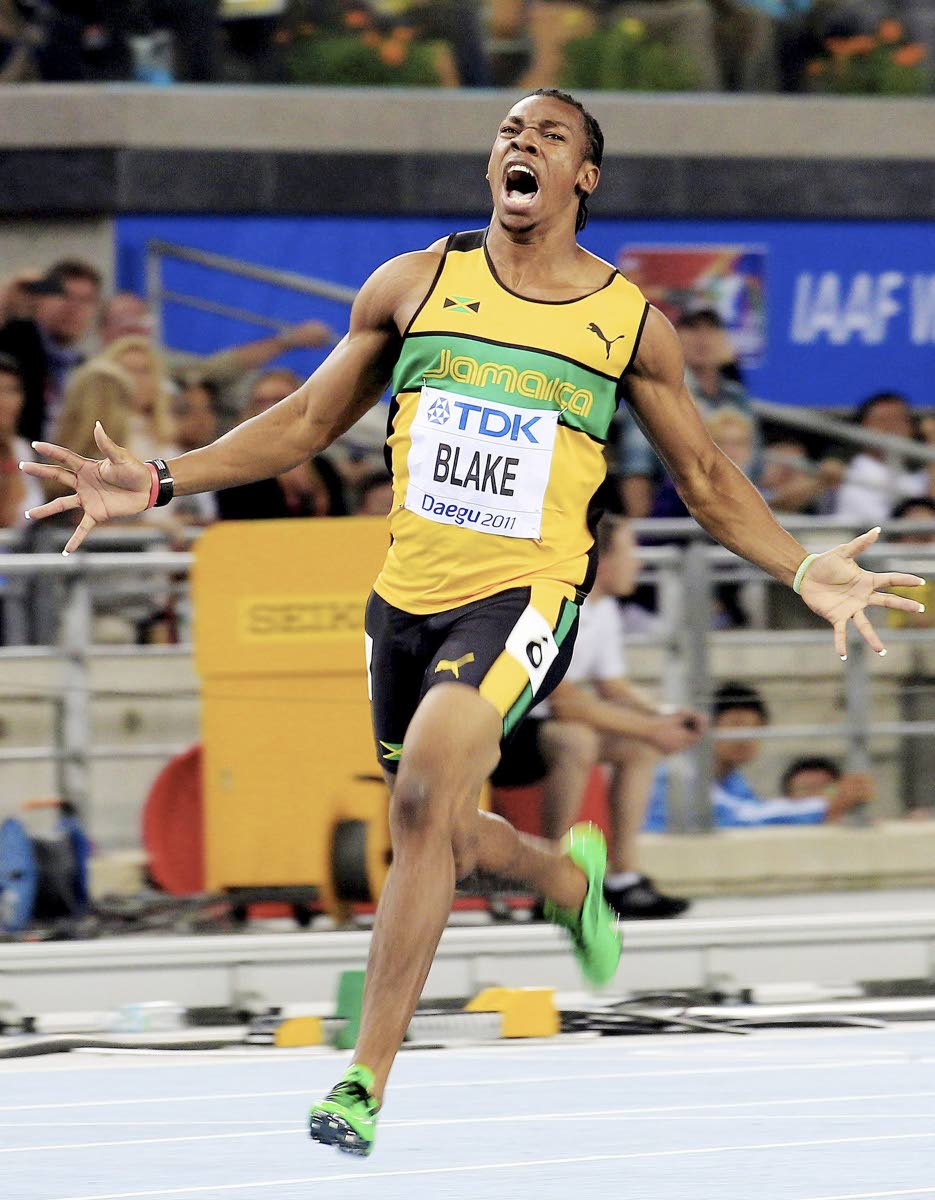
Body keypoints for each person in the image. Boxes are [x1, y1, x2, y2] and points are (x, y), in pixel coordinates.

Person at [21, 88, 924, 1158]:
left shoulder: (627, 323)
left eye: (548, 136)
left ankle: (363, 1077)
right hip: (403, 597)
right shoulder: (414, 284)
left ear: (583, 176)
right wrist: (165, 480)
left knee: (417, 796)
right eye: (508, 131)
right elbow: (307, 422)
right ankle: (556, 875)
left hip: (526, 592)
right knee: (442, 836)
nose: (520, 145)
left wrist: (798, 565)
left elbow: (706, 476)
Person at [494, 516, 705, 917]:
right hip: (503, 729)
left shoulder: (604, 609)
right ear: (603, 561)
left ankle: (624, 878)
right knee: (577, 737)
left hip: (547, 725)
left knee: (638, 748)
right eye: (631, 554)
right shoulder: (555, 603)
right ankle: (553, 881)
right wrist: (654, 728)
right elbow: (564, 701)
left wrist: (666, 716)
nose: (638, 565)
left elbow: (612, 687)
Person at [645, 683, 872, 828]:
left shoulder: (734, 782)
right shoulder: (679, 772)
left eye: (755, 729)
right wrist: (828, 804)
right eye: (736, 725)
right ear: (706, 728)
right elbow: (745, 818)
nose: (745, 738)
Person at [0, 258, 103, 442]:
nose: (73, 307)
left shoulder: (86, 369)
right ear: (40, 298)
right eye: (65, 296)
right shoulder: (13, 341)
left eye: (85, 300)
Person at [834, 392, 935, 527]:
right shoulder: (845, 471)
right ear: (862, 427)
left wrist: (931, 445)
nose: (892, 427)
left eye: (899, 420)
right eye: (883, 420)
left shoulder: (918, 474)